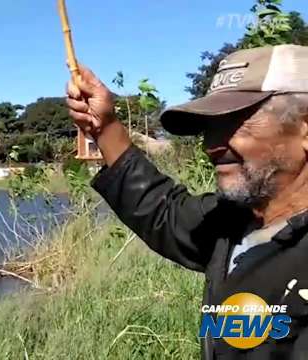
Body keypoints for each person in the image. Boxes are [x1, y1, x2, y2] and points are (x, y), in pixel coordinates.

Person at [66, 44, 308, 359]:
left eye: (235, 123)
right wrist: (106, 126)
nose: (211, 145)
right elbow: (166, 214)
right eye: (210, 128)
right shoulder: (237, 222)